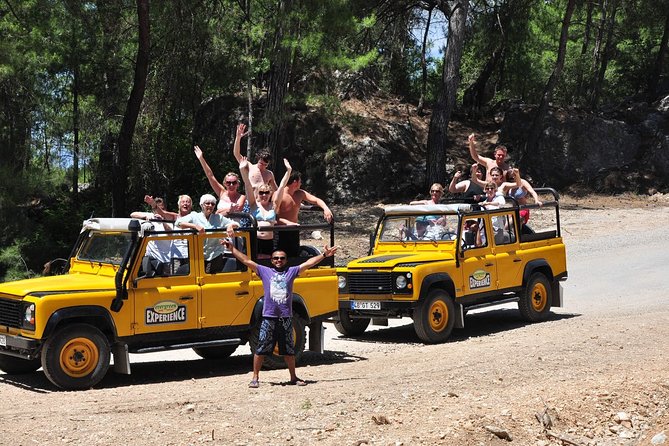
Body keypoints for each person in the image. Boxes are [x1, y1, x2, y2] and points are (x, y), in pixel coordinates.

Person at [222, 239, 338, 388]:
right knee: (261, 348)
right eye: (276, 258)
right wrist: (232, 249)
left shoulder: (292, 272)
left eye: (282, 258)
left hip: (285, 318)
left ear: (286, 260)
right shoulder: (264, 271)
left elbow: (309, 263)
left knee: (289, 350)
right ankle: (255, 378)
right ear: (271, 260)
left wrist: (324, 255)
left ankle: (293, 377)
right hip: (269, 317)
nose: (278, 260)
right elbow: (246, 261)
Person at [239, 156, 292, 258]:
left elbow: (281, 187)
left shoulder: (274, 206)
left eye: (266, 192)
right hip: (255, 240)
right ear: (258, 194)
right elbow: (248, 185)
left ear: (270, 193)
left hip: (269, 241)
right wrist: (242, 170)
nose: (264, 195)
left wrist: (289, 171)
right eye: (261, 193)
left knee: (269, 264)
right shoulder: (253, 205)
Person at [176, 194, 240, 273]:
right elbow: (178, 223)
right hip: (198, 254)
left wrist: (230, 226)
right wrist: (195, 226)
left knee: (209, 274)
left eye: (213, 204)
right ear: (202, 205)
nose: (210, 206)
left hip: (215, 254)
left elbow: (237, 224)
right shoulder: (194, 216)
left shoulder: (218, 218)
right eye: (207, 203)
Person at [276, 171, 334, 256]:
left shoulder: (300, 193)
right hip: (280, 231)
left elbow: (316, 200)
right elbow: (274, 216)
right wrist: (288, 223)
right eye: (300, 181)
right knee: (280, 256)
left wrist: (326, 208)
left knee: (294, 255)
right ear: (295, 182)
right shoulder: (280, 195)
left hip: (294, 230)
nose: (301, 184)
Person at [130, 197, 179, 276]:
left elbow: (171, 235)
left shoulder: (170, 220)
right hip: (151, 259)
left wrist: (163, 221)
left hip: (167, 260)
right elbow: (132, 214)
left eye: (161, 209)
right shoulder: (151, 216)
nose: (159, 212)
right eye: (157, 209)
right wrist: (145, 217)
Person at [194, 145, 246, 216]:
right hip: (220, 225)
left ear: (238, 184)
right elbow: (210, 176)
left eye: (234, 183)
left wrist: (219, 211)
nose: (231, 185)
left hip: (235, 225)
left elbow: (238, 209)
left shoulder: (241, 197)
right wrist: (201, 159)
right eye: (228, 183)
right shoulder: (222, 192)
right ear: (224, 183)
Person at [232, 123, 278, 192]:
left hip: (263, 199)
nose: (262, 166)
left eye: (265, 165)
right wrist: (238, 138)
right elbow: (236, 154)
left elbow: (276, 191)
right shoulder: (250, 167)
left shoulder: (269, 174)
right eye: (261, 163)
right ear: (258, 160)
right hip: (250, 198)